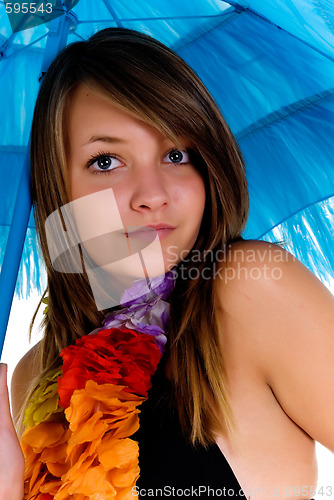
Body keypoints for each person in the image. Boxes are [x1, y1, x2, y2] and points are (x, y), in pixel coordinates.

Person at [0, 27, 333, 500]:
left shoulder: (250, 292)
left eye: (176, 154)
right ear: (59, 186)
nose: (153, 195)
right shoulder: (35, 376)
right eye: (106, 161)